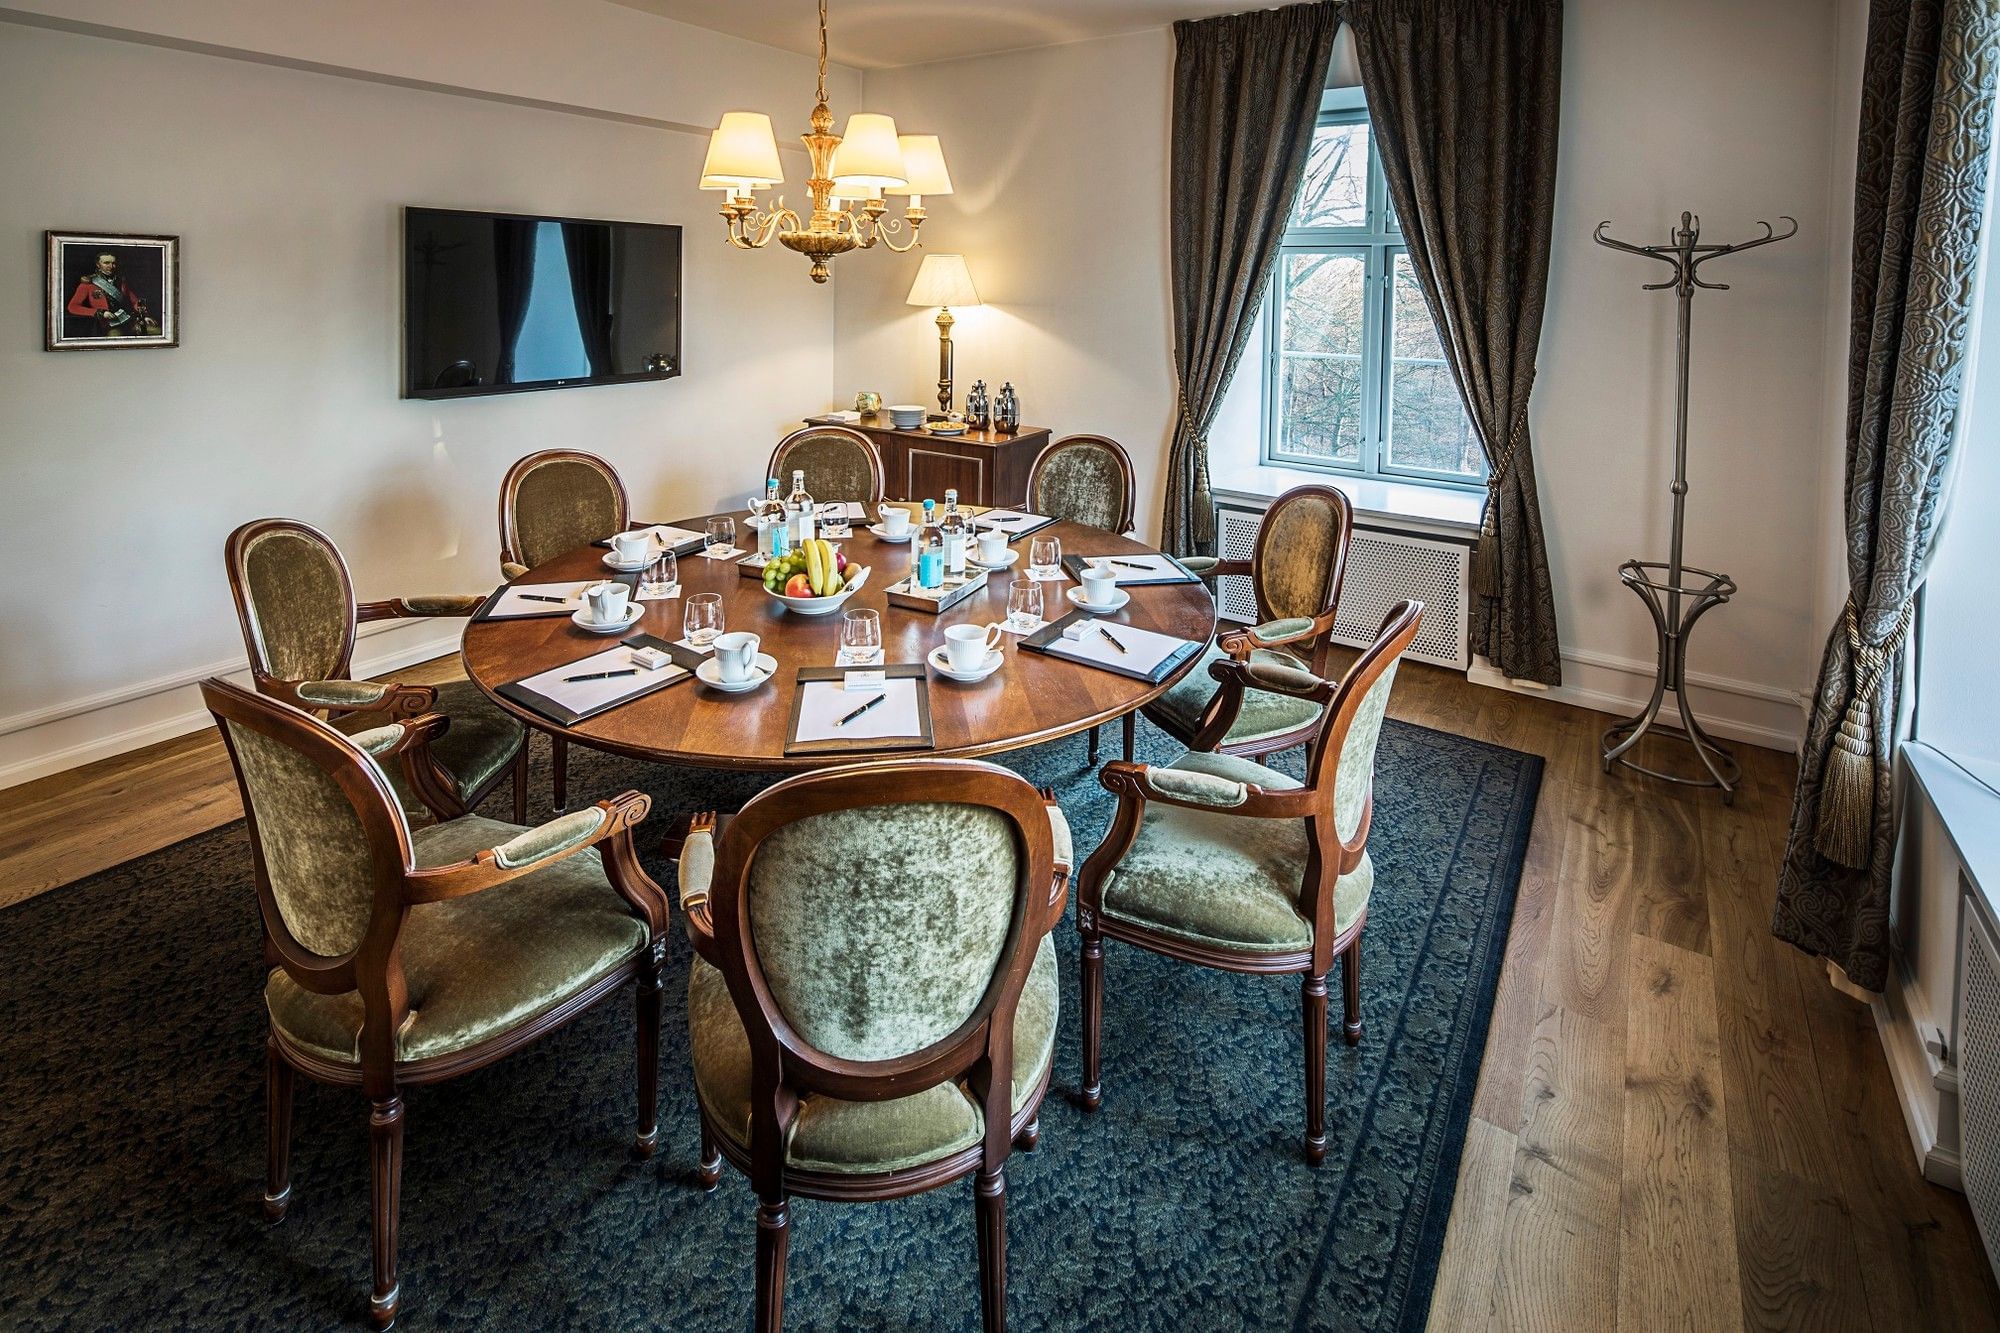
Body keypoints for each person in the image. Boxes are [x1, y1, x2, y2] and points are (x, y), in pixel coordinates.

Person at [65, 251, 155, 337]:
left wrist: (144, 316)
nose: (111, 266)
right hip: (108, 325)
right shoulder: (88, 283)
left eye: (113, 263)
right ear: (98, 265)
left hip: (129, 320)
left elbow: (135, 301)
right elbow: (72, 307)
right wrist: (100, 313)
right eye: (106, 263)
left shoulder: (121, 281)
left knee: (156, 331)